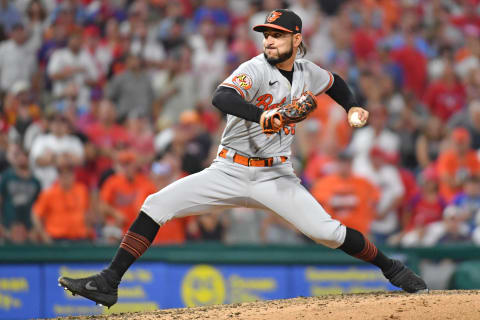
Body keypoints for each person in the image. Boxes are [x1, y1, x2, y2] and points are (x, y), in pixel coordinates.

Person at [59, 9, 427, 308]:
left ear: (296, 40)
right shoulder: (255, 69)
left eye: (277, 34)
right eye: (266, 34)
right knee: (156, 203)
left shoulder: (307, 72)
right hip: (229, 169)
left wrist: (353, 107)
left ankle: (392, 267)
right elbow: (221, 98)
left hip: (275, 176)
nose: (269, 40)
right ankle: (108, 282)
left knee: (326, 232)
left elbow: (336, 83)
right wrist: (261, 115)